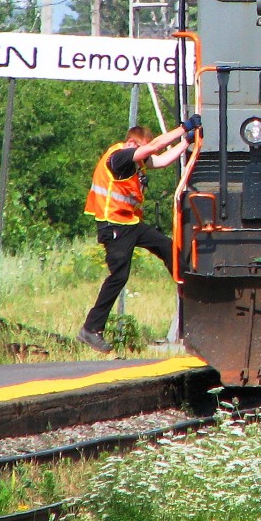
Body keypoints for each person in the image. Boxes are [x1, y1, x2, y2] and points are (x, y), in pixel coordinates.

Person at [79, 115, 202, 352]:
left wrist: (187, 141)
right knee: (119, 276)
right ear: (135, 144)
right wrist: (184, 128)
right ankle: (91, 329)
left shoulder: (137, 161)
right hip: (113, 226)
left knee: (168, 248)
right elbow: (155, 147)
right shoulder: (120, 156)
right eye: (144, 148)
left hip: (130, 223)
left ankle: (191, 291)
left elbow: (162, 159)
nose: (146, 154)